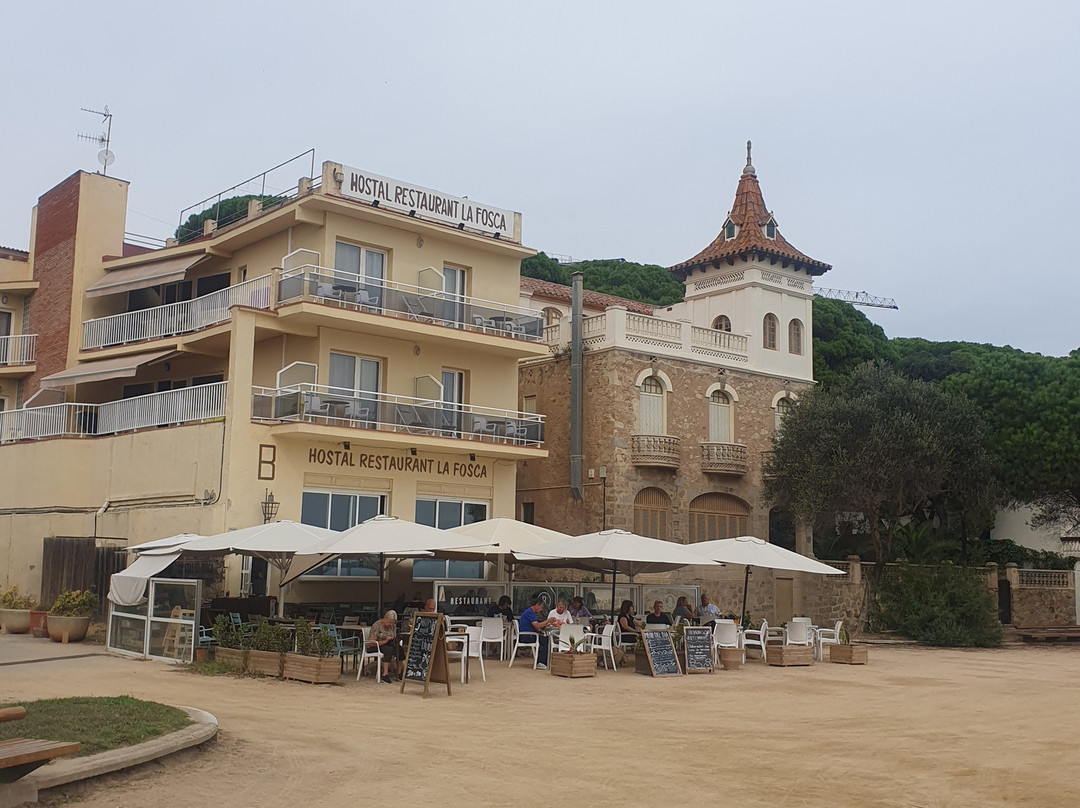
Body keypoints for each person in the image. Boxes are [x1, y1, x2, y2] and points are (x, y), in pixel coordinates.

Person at [518, 595, 557, 669]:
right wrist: (548, 621)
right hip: (526, 636)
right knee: (547, 641)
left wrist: (540, 630)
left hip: (529, 634)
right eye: (541, 607)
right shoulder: (529, 613)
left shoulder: (530, 612)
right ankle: (541, 662)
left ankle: (542, 660)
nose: (541, 609)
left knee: (545, 639)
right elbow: (537, 626)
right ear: (536, 605)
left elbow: (533, 626)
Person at [368, 609, 399, 683]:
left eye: (392, 622)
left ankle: (399, 672)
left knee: (399, 649)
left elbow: (394, 635)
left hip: (388, 643)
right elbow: (371, 642)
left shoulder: (393, 626)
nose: (391, 624)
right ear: (385, 618)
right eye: (389, 622)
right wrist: (384, 641)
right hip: (376, 645)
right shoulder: (377, 625)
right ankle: (385, 674)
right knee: (388, 650)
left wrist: (391, 638)